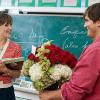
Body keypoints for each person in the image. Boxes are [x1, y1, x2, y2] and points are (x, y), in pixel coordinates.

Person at [39, 3, 100, 100]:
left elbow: (76, 91)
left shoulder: (95, 50)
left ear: (98, 22)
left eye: (87, 21)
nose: (84, 25)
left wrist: (49, 95)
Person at [0, 12, 22, 100]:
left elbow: (17, 74)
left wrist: (6, 70)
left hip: (5, 92)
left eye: (11, 25)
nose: (10, 28)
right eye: (6, 25)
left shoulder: (16, 47)